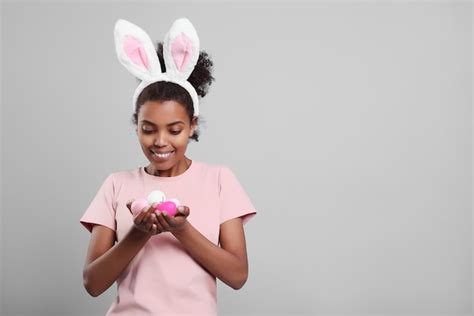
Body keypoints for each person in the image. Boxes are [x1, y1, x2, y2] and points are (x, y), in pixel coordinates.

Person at [79, 18, 257, 315]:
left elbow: (237, 275)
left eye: (174, 130)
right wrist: (139, 233)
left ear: (192, 126)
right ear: (136, 125)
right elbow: (93, 283)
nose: (160, 141)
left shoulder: (219, 181)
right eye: (149, 129)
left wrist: (182, 230)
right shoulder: (116, 184)